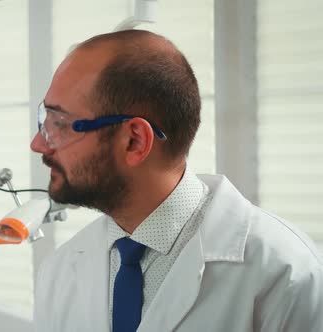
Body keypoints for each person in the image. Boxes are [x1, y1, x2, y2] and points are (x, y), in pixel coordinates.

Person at [31, 29, 323, 332]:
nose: (39, 144)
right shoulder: (59, 271)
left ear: (134, 141)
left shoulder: (285, 272)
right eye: (45, 121)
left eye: (60, 124)